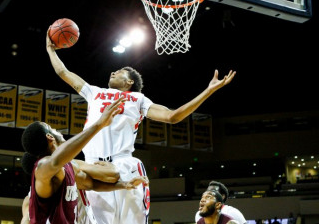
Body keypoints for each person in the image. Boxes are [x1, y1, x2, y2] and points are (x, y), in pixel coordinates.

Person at [46, 32, 236, 224]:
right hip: (93, 166)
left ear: (129, 82)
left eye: (120, 71)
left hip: (124, 165)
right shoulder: (94, 92)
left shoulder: (138, 99)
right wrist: (50, 50)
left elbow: (173, 116)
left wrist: (208, 91)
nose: (113, 72)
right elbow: (64, 73)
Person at [21, 97, 149, 224]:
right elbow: (54, 162)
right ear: (50, 137)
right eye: (52, 129)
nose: (57, 131)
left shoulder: (70, 166)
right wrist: (99, 124)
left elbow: (91, 184)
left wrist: (125, 185)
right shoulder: (42, 167)